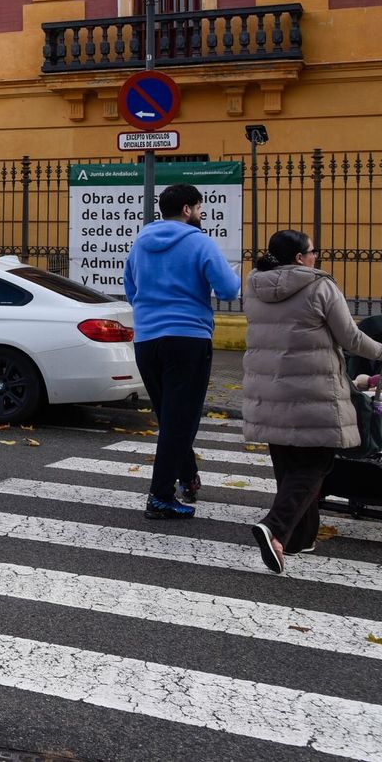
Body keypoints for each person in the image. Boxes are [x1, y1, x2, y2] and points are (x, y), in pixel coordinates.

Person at [242, 230, 382, 574]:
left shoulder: (254, 286)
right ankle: (275, 527)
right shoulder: (320, 286)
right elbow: (350, 338)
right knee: (315, 464)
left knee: (289, 465)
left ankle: (299, 538)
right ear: (299, 258)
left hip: (268, 389)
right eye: (312, 251)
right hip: (311, 391)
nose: (316, 256)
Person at [124, 183, 243, 519]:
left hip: (147, 339)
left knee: (170, 416)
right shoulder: (199, 241)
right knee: (182, 419)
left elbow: (130, 289)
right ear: (188, 209)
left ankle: (188, 478)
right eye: (200, 209)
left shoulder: (141, 244)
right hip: (188, 338)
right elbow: (229, 290)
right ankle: (160, 497)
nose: (201, 215)